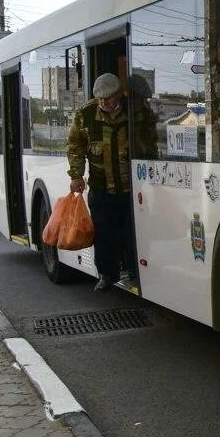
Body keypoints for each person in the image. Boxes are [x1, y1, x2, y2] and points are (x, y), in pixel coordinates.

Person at [67, 73, 139, 291]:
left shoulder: (133, 111)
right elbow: (75, 146)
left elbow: (149, 141)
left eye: (108, 98)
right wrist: (76, 175)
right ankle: (107, 275)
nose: (103, 102)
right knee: (104, 235)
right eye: (99, 98)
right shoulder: (85, 114)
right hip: (100, 187)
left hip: (130, 188)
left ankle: (134, 272)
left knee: (130, 233)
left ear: (118, 94)